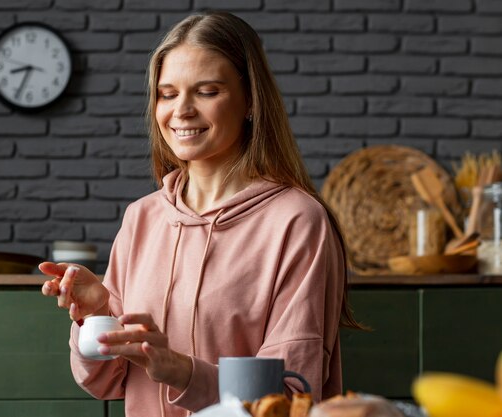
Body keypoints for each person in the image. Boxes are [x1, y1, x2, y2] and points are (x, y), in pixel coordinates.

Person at [40, 10, 360, 417]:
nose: (182, 110)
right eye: (168, 93)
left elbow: (291, 396)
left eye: (207, 91)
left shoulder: (296, 222)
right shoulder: (142, 219)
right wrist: (98, 316)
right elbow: (106, 383)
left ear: (249, 101)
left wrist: (181, 371)